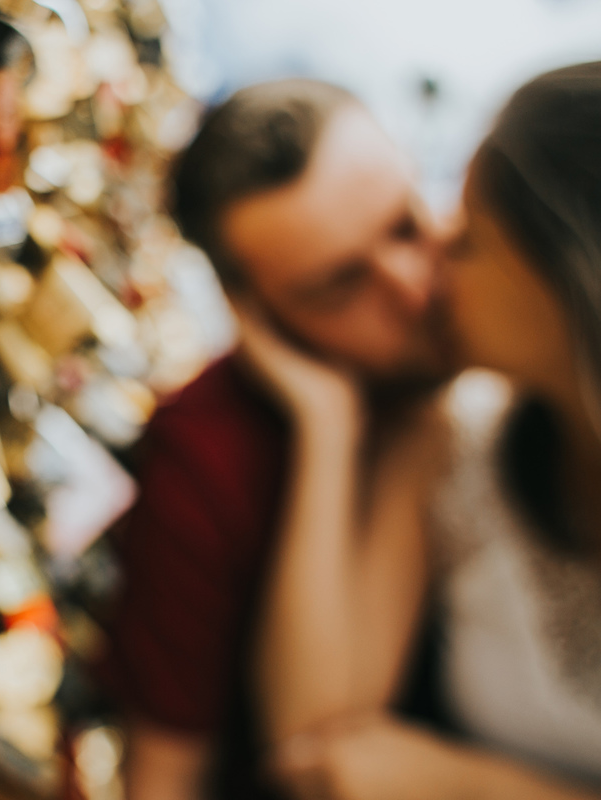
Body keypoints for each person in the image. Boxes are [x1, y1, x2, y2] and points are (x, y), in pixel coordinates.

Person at [253, 61, 601, 800]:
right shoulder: (457, 435)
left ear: (568, 281)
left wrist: (474, 787)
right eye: (336, 283)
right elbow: (317, 752)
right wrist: (326, 422)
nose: (426, 270)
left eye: (466, 239)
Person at [107, 79, 450, 800]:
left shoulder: (507, 313)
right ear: (253, 312)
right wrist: (328, 425)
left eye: (406, 225)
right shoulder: (206, 452)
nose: (413, 288)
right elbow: (165, 777)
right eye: (340, 285)